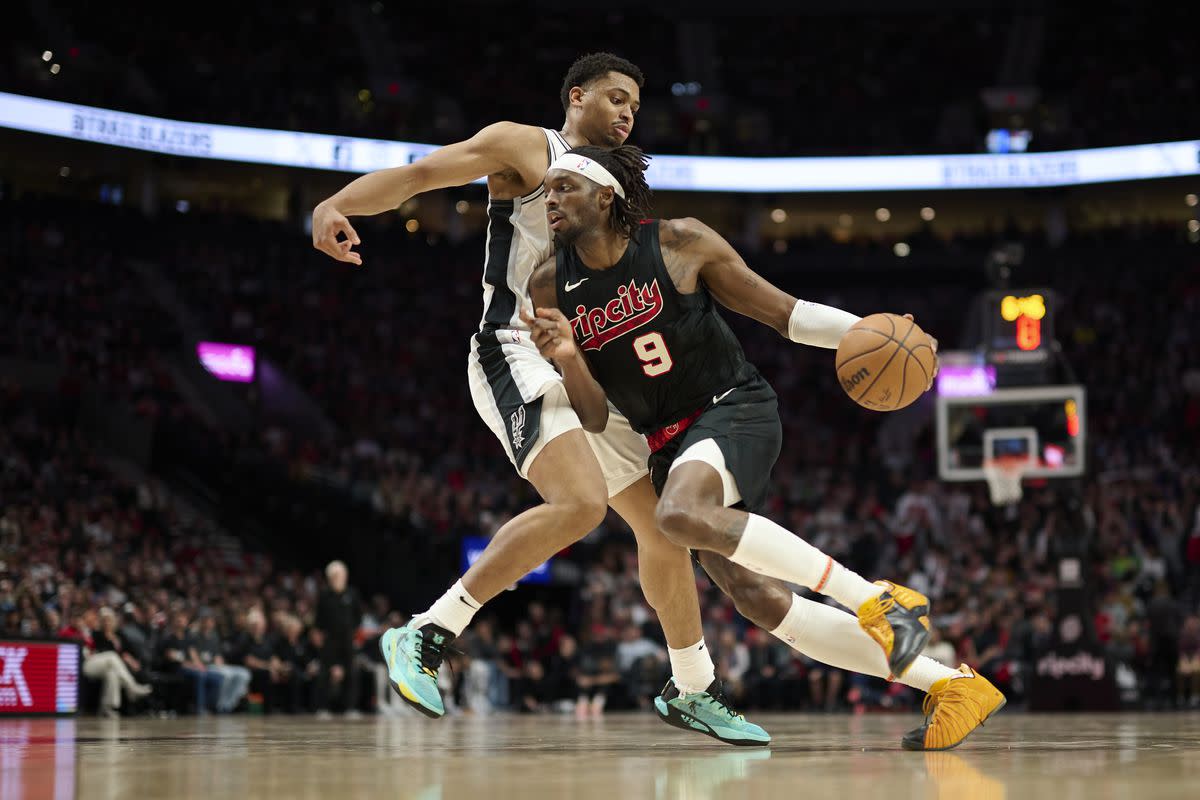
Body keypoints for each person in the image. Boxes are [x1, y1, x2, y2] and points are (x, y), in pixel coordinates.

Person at [312, 52, 767, 744]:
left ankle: (693, 687)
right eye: (615, 98)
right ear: (576, 96)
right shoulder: (526, 148)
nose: (626, 113)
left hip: (586, 364)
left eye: (636, 107)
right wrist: (337, 202)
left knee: (663, 526)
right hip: (515, 346)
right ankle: (427, 632)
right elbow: (419, 175)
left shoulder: (618, 188)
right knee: (581, 503)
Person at [522, 144, 1007, 751]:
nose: (550, 199)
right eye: (546, 190)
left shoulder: (678, 242)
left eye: (564, 186)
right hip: (667, 444)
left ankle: (876, 598)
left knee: (675, 516)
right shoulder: (548, 284)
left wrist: (872, 332)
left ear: (604, 195)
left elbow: (787, 315)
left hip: (732, 407)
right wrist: (567, 357)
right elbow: (593, 417)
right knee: (756, 597)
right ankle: (952, 686)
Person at [312, 561, 363, 718]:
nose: (339, 578)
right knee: (324, 673)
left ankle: (351, 708)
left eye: (341, 575)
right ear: (329, 577)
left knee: (351, 673)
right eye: (335, 576)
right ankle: (322, 708)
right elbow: (318, 619)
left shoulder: (352, 594)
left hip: (348, 639)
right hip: (329, 640)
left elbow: (358, 616)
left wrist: (354, 634)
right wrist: (318, 636)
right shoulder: (324, 595)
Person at [89, 607, 153, 717]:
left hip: (113, 667)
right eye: (104, 620)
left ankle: (108, 708)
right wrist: (113, 644)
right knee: (112, 656)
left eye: (109, 620)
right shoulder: (96, 634)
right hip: (97, 664)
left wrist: (131, 659)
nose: (107, 623)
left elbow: (127, 651)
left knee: (112, 674)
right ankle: (133, 687)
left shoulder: (119, 635)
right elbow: (101, 651)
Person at [160, 610, 223, 715]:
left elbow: (193, 654)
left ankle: (211, 707)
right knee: (200, 675)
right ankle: (199, 708)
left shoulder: (188, 637)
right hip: (175, 668)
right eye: (178, 620)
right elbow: (172, 658)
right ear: (173, 622)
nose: (181, 622)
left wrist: (200, 666)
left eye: (183, 619)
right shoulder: (168, 638)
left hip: (189, 667)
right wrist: (193, 666)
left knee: (217, 678)